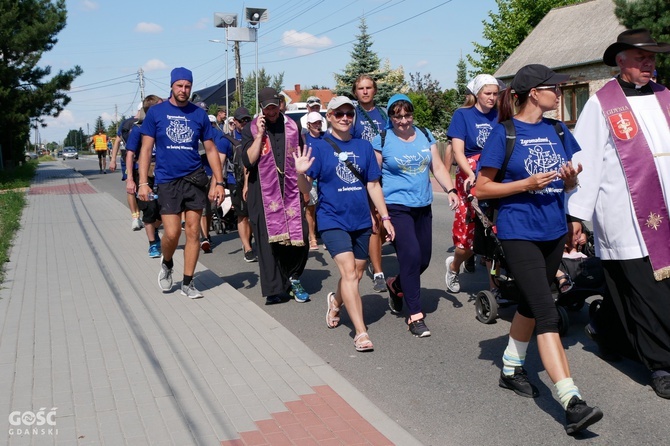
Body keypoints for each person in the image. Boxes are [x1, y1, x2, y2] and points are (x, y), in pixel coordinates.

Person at [476, 64, 601, 435]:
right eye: (554, 88)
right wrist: (525, 183)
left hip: (552, 230)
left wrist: (570, 182)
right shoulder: (505, 133)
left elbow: (569, 182)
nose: (560, 93)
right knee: (547, 312)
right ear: (534, 92)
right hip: (518, 232)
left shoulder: (558, 129)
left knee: (532, 304)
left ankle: (511, 368)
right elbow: (482, 188)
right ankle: (572, 401)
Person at [566, 29, 670, 400]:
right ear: (621, 61)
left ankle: (605, 329)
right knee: (648, 293)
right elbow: (585, 162)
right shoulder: (602, 104)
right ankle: (661, 364)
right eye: (641, 57)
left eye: (652, 57)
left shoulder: (665, 97)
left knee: (627, 290)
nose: (649, 63)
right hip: (625, 214)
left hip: (667, 212)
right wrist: (576, 216)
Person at [296, 96, 395, 352]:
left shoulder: (363, 147)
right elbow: (306, 189)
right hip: (332, 219)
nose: (344, 118)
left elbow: (373, 185)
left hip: (361, 219)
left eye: (349, 114)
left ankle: (335, 302)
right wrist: (300, 173)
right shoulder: (317, 147)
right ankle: (361, 332)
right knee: (349, 272)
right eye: (338, 113)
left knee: (358, 273)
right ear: (329, 116)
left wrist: (384, 217)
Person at [372, 94, 458, 337]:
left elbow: (438, 166)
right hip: (396, 206)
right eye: (397, 116)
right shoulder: (382, 139)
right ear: (390, 116)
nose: (403, 120)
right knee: (410, 256)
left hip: (423, 205)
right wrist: (379, 213)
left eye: (407, 114)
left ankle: (396, 284)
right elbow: (373, 178)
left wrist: (450, 189)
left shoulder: (423, 133)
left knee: (423, 260)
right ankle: (415, 315)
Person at [137, 67, 225, 299]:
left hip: (194, 179)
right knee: (173, 233)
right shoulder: (156, 113)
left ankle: (188, 282)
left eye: (187, 86)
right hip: (167, 181)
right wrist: (143, 182)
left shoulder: (198, 114)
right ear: (172, 86)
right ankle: (167, 263)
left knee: (194, 232)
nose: (184, 90)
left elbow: (210, 149)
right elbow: (145, 150)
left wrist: (219, 181)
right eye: (179, 86)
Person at [241, 87, 310, 304]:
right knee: (267, 240)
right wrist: (260, 135)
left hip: (290, 187)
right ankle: (274, 288)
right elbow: (248, 161)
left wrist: (305, 182)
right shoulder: (250, 129)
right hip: (261, 190)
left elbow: (301, 155)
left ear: (279, 104)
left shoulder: (292, 126)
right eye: (267, 108)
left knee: (301, 237)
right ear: (261, 108)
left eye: (275, 107)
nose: (272, 112)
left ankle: (293, 276)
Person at [445, 74, 504, 301]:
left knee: (493, 231)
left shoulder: (500, 115)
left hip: (494, 170)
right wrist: (470, 174)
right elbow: (458, 151)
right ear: (477, 94)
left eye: (495, 94)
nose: (491, 98)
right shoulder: (463, 115)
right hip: (470, 172)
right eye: (487, 93)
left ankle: (494, 285)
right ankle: (454, 265)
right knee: (467, 239)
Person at [351, 74, 389, 293]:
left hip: (386, 173)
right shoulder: (352, 114)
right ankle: (378, 272)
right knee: (374, 220)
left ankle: (371, 250)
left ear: (375, 90)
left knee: (386, 220)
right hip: (362, 174)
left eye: (369, 88)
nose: (365, 91)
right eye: (361, 88)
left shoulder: (384, 113)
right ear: (355, 92)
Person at [124, 95, 164, 258]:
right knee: (149, 210)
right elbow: (130, 154)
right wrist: (131, 179)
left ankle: (154, 229)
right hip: (145, 177)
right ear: (153, 110)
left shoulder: (163, 126)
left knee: (164, 212)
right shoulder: (139, 129)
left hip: (163, 175)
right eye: (161, 106)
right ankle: (153, 244)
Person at [195, 102, 230, 254]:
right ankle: (204, 237)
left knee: (209, 208)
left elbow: (219, 156)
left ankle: (206, 234)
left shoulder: (217, 133)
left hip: (211, 174)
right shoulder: (193, 128)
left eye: (205, 111)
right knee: (201, 208)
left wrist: (218, 180)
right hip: (195, 174)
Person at [227, 107, 257, 262]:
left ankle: (250, 240)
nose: (245, 123)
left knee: (253, 216)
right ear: (235, 122)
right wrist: (218, 183)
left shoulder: (256, 135)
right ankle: (247, 247)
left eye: (248, 119)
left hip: (254, 180)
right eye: (242, 120)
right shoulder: (228, 139)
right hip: (235, 181)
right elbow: (219, 161)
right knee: (242, 216)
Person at [110, 107, 143, 231]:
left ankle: (135, 217)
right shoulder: (144, 122)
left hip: (126, 159)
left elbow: (117, 141)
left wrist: (113, 159)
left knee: (130, 188)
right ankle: (140, 216)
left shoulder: (126, 123)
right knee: (141, 186)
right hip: (141, 159)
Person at [304, 111, 325, 250]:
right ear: (308, 125)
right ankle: (312, 237)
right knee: (310, 208)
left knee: (324, 207)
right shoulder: (304, 139)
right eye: (315, 123)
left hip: (324, 178)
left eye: (319, 122)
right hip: (310, 177)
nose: (318, 125)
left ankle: (326, 234)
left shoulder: (327, 137)